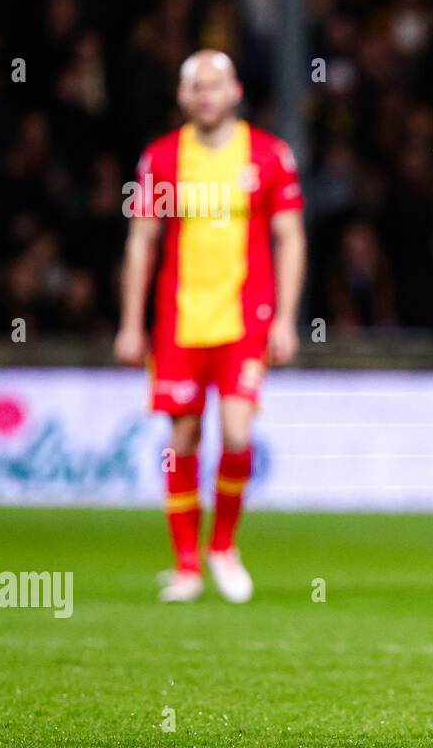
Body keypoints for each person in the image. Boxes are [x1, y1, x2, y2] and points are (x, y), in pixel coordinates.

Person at [115, 50, 306, 604]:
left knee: (238, 431)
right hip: (179, 320)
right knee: (182, 437)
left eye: (214, 85)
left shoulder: (270, 156)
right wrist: (131, 323)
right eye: (195, 87)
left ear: (235, 91)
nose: (205, 95)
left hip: (246, 317)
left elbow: (290, 237)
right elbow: (142, 241)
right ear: (181, 97)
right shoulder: (161, 158)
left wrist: (287, 318)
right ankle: (185, 565)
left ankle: (222, 546)